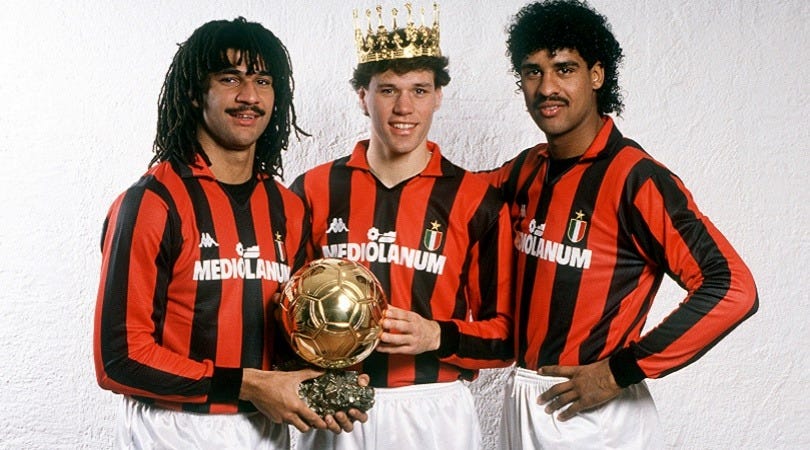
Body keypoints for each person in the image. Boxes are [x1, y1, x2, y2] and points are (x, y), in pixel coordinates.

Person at [483, 1, 760, 448]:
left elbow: (732, 288)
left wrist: (617, 372)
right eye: (533, 72)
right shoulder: (526, 169)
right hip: (524, 400)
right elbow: (448, 200)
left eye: (564, 69)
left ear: (596, 75)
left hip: (594, 417)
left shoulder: (636, 178)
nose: (547, 87)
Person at [93, 17, 365, 449]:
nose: (249, 96)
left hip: (264, 427)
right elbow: (119, 359)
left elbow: (289, 335)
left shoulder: (287, 209)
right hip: (175, 430)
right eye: (230, 78)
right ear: (194, 92)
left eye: (263, 81)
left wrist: (330, 377)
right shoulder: (152, 203)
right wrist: (248, 385)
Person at [290, 4, 514, 450]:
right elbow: (281, 311)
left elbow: (505, 337)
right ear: (363, 95)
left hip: (433, 409)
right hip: (336, 407)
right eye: (388, 90)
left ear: (438, 96)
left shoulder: (475, 199)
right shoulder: (314, 189)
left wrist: (436, 335)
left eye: (419, 90)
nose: (404, 107)